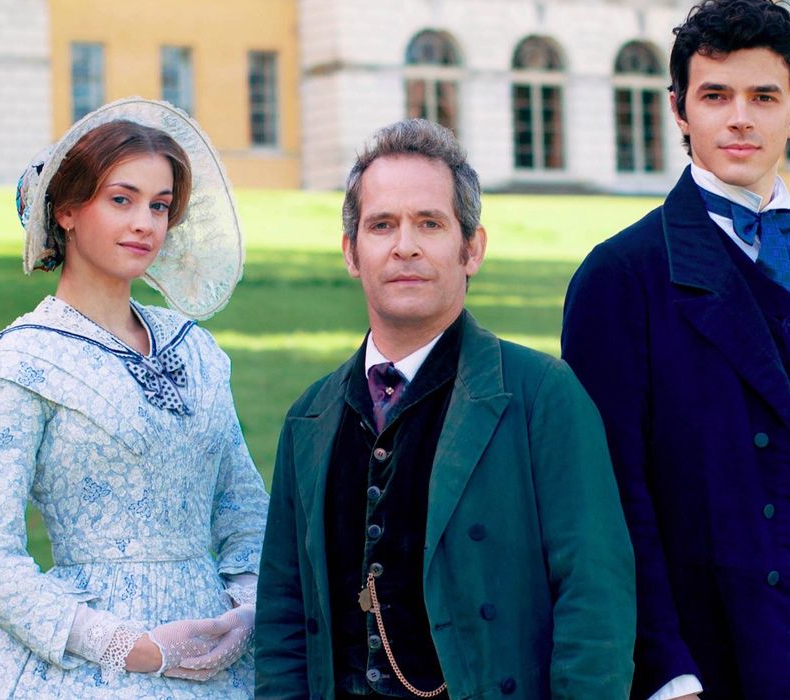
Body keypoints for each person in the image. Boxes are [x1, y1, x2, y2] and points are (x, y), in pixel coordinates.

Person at [561, 2, 790, 697]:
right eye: (715, 95)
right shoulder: (619, 277)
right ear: (679, 109)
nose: (740, 118)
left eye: (763, 96)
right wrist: (664, 667)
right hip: (712, 659)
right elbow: (608, 500)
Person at [254, 118, 635, 700]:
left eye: (429, 223)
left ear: (471, 248)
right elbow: (283, 618)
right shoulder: (309, 418)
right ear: (352, 253)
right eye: (382, 225)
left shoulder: (543, 396)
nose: (405, 244)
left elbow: (595, 602)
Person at [0, 98, 269, 698]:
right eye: (121, 200)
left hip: (218, 655)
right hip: (92, 662)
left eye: (160, 205)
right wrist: (130, 648)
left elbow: (246, 509)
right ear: (66, 209)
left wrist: (244, 612)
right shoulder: (24, 363)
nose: (145, 222)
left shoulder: (196, 349)